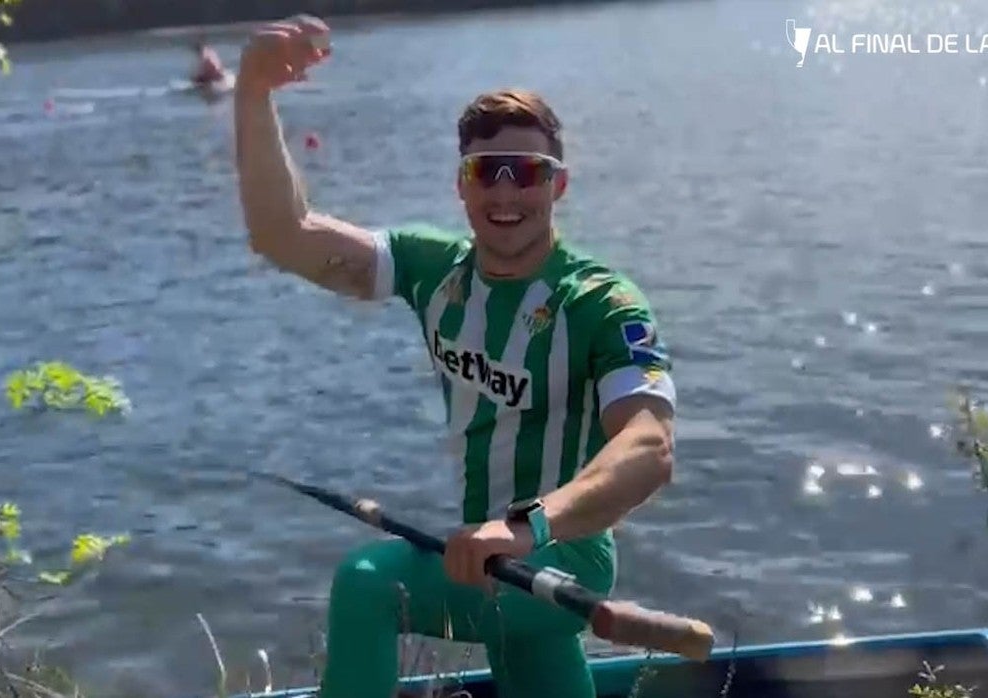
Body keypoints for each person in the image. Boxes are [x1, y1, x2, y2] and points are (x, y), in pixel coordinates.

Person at [233, 14, 678, 698]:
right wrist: (254, 91)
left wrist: (526, 527)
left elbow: (649, 446)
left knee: (366, 584)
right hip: (481, 562)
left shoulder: (601, 302)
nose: (506, 193)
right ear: (461, 185)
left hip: (565, 556)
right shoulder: (431, 271)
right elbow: (280, 232)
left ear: (557, 186)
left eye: (526, 172)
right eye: (486, 172)